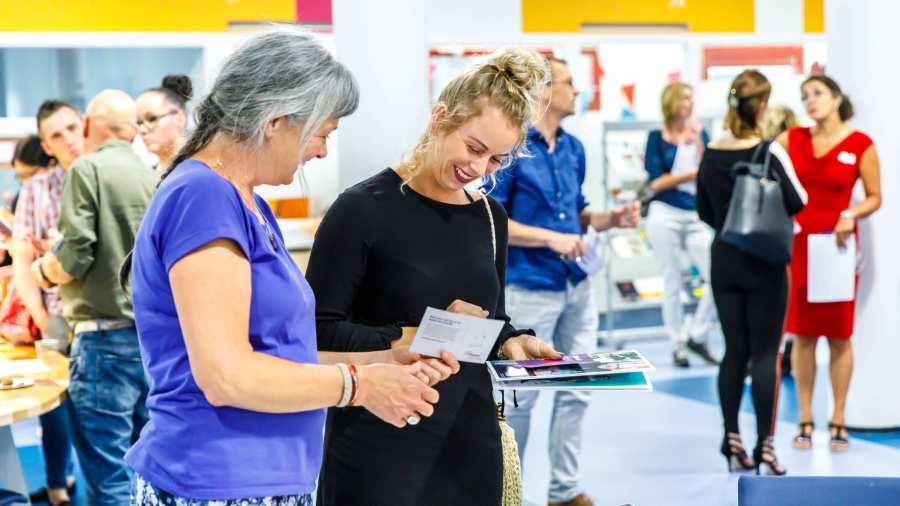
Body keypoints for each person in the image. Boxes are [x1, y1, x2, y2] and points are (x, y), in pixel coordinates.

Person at [117, 30, 457, 505]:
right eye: (322, 134)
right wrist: (358, 387)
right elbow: (226, 376)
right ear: (276, 120)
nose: (320, 152)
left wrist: (378, 363)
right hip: (215, 477)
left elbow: (279, 357)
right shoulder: (203, 197)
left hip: (264, 478)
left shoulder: (246, 202)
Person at [307, 48, 563, 506]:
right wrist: (409, 336)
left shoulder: (490, 218)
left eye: (497, 160)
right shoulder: (361, 210)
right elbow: (316, 333)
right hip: (380, 440)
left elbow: (490, 317)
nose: (480, 169)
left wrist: (512, 341)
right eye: (474, 148)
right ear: (440, 118)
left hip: (469, 439)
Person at [490, 56, 638, 506]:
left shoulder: (573, 148)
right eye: (570, 82)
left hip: (576, 285)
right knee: (523, 398)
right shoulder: (513, 147)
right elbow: (492, 220)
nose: (579, 89)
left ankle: (564, 492)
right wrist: (550, 238)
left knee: (578, 389)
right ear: (544, 91)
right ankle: (506, 492)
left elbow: (576, 212)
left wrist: (609, 218)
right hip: (530, 286)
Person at [32, 90, 158, 505]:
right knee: (146, 477)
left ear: (88, 124)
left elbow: (76, 254)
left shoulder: (87, 169)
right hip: (151, 344)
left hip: (102, 344)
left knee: (108, 479)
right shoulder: (152, 173)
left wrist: (45, 268)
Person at [696, 70, 807, 476]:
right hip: (766, 263)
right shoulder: (769, 151)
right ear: (761, 106)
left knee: (733, 352)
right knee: (765, 355)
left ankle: (731, 440)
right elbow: (798, 201)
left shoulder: (710, 152)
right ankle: (766, 448)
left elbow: (705, 212)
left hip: (723, 259)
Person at [778, 75, 881, 452]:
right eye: (804, 96)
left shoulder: (860, 145)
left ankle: (838, 417)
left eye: (817, 93)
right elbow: (767, 174)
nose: (810, 101)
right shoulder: (793, 139)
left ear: (837, 98)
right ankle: (805, 418)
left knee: (839, 335)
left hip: (837, 250)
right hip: (801, 246)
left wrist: (851, 214)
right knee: (802, 336)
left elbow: (875, 197)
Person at [10, 128, 80, 506]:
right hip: (52, 314)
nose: (24, 184)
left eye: (27, 175)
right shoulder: (37, 198)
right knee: (55, 401)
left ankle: (60, 483)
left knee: (59, 402)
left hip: (61, 313)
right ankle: (59, 482)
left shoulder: (63, 191)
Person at [643, 82, 718, 368]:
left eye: (691, 98)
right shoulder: (655, 137)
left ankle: (697, 333)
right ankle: (677, 341)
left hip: (695, 213)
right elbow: (656, 182)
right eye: (685, 97)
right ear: (672, 101)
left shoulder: (700, 133)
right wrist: (691, 175)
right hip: (665, 212)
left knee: (715, 276)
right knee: (671, 279)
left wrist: (699, 142)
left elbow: (708, 172)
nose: (689, 103)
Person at [136, 74, 191, 172]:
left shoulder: (202, 171)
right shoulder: (146, 176)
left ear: (180, 118)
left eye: (151, 119)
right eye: (139, 122)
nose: (142, 130)